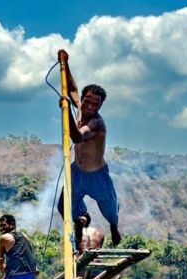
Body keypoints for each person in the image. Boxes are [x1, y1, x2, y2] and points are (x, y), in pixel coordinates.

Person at [56, 49, 122, 247]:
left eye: (97, 104)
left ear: (101, 106)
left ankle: (114, 227)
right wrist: (65, 64)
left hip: (97, 175)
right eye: (88, 101)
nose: (91, 106)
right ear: (82, 100)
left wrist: (65, 111)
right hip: (78, 171)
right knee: (63, 207)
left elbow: (76, 136)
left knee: (110, 208)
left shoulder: (97, 123)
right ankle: (82, 218)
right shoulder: (78, 108)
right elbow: (72, 89)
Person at [0, 214, 38, 279]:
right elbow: (31, 252)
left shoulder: (4, 238)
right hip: (29, 274)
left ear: (12, 224)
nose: (1, 228)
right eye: (0, 226)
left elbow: (0, 259)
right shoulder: (24, 235)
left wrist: (3, 270)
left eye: (4, 225)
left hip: (14, 276)